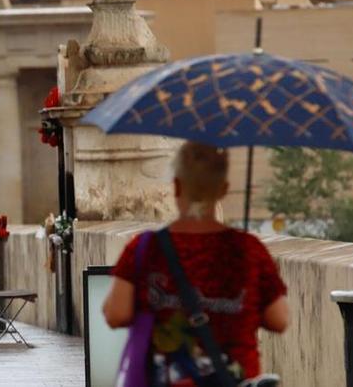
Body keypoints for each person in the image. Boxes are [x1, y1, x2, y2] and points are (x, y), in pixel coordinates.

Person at [103, 142, 289, 386]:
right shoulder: (250, 250)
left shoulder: (145, 247)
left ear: (177, 186)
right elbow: (279, 319)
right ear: (223, 190)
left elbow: (115, 314)